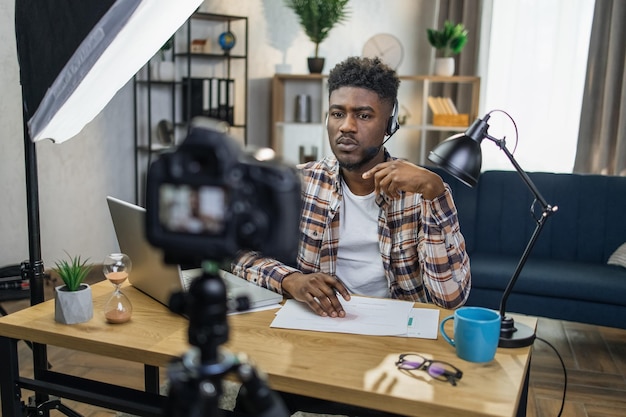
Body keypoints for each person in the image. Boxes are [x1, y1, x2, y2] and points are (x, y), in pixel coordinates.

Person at [231, 56, 471, 416]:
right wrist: (291, 280)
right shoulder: (299, 183)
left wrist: (436, 192)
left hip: (393, 344)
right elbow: (236, 252)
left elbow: (450, 299)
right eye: (337, 113)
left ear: (390, 124)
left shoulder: (423, 192)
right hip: (314, 335)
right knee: (252, 398)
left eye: (363, 115)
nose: (346, 126)